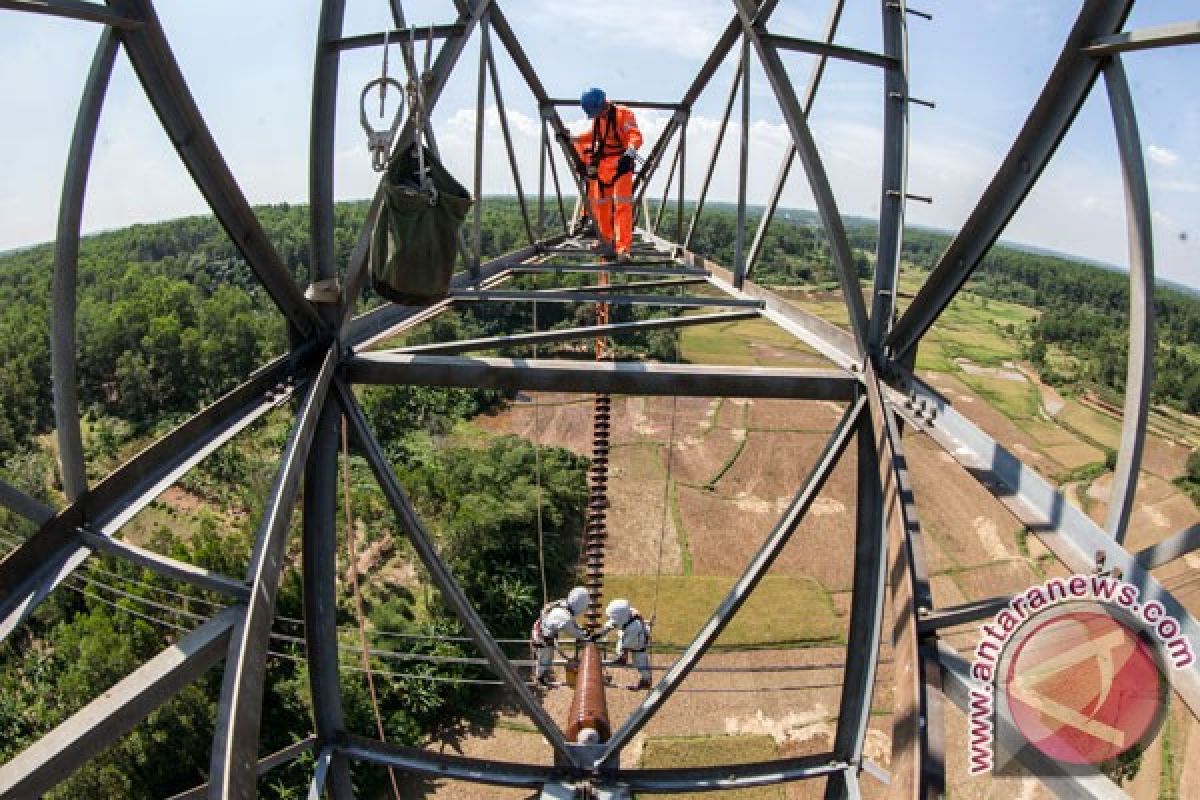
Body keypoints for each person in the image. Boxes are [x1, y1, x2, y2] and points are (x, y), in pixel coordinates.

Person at [573, 87, 643, 262]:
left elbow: (635, 136)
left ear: (603, 104)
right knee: (601, 206)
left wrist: (630, 153)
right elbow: (593, 135)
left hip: (621, 165)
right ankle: (606, 242)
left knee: (622, 206)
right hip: (604, 167)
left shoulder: (623, 114)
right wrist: (573, 139)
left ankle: (623, 248)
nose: (598, 116)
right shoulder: (599, 120)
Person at [530, 586, 591, 687]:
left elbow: (572, 623)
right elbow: (574, 632)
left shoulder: (563, 603)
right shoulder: (564, 618)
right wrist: (585, 634)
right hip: (542, 637)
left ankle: (540, 675)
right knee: (544, 659)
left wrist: (581, 629)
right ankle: (539, 679)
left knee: (544, 657)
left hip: (541, 626)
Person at [600, 598, 652, 690]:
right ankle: (622, 658)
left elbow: (627, 644)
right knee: (621, 647)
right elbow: (613, 622)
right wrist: (601, 632)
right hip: (629, 634)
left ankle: (646, 681)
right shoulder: (626, 613)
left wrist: (624, 655)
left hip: (640, 641)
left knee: (640, 662)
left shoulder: (634, 626)